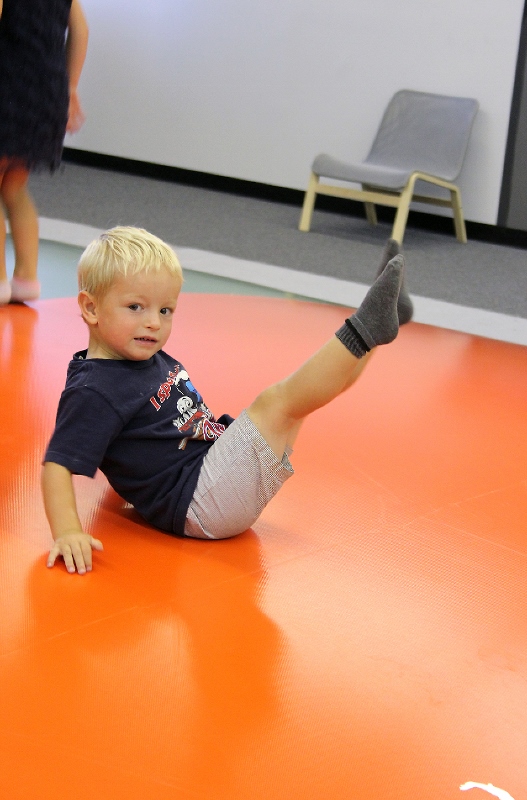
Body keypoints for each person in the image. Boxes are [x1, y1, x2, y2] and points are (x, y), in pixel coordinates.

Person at [42, 228, 413, 575]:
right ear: (91, 308)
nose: (153, 322)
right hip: (201, 502)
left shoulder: (140, 357)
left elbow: (130, 439)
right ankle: (365, 327)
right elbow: (57, 465)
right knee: (277, 401)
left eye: (165, 310)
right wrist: (68, 531)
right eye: (136, 307)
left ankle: (382, 327)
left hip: (211, 476)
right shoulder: (94, 390)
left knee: (303, 400)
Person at [0, 0, 88, 305]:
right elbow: (80, 30)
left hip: (8, 84)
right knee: (15, 185)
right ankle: (26, 278)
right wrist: (71, 88)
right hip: (48, 90)